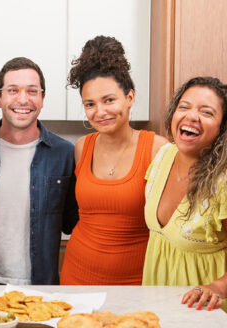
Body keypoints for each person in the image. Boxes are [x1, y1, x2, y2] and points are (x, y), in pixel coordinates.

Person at [142, 77, 227, 327]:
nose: (191, 116)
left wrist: (217, 287)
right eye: (184, 107)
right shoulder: (164, 156)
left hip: (221, 307)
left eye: (206, 112)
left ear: (222, 128)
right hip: (167, 301)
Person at [60, 36, 169, 285]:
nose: (100, 112)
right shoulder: (81, 148)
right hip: (77, 275)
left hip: (136, 280)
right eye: (90, 104)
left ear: (130, 97)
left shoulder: (158, 149)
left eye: (109, 100)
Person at [0, 57, 78, 285]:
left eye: (32, 91)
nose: (23, 99)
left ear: (43, 98)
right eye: (13, 90)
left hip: (39, 287)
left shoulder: (65, 154)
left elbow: (75, 224)